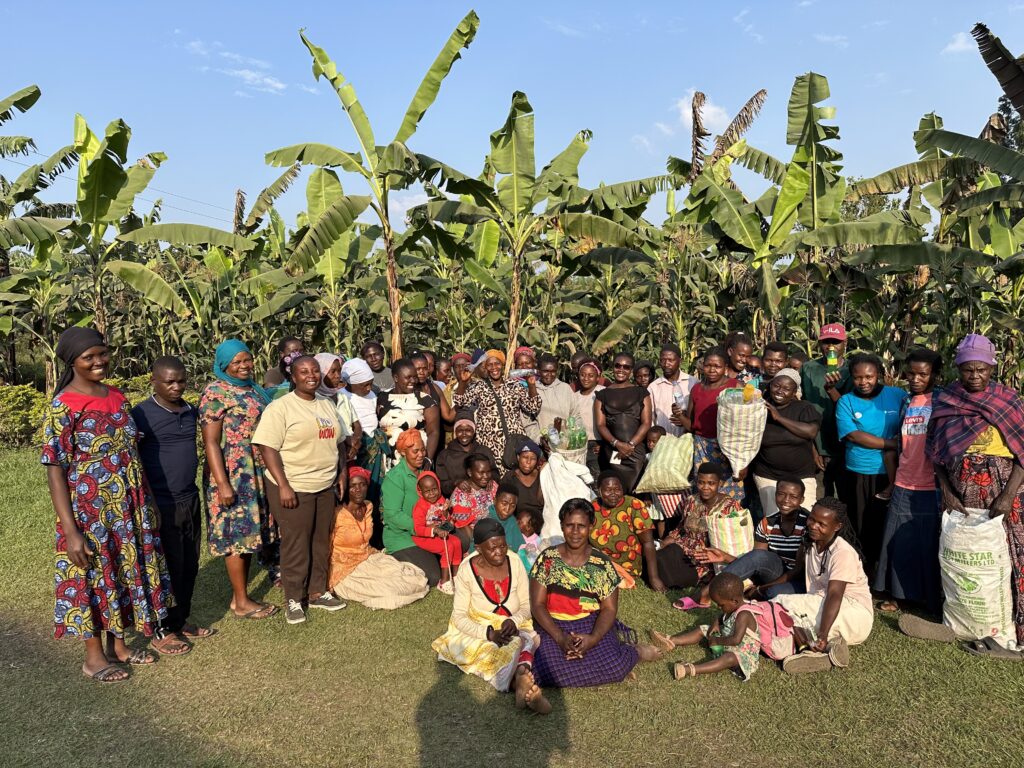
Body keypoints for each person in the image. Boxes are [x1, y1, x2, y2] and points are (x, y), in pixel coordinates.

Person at [42, 328, 175, 682]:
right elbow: (55, 468)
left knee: (121, 570)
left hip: (130, 504)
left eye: (102, 353)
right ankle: (93, 656)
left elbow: (132, 453)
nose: (99, 362)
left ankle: (120, 646)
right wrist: (71, 530)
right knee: (93, 574)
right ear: (72, 362)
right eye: (89, 357)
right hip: (90, 509)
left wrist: (147, 500)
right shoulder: (64, 405)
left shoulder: (116, 396)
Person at [924, 333, 1024, 645]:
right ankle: (965, 617)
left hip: (1004, 487)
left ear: (992, 369)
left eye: (981, 370)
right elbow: (935, 452)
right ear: (958, 369)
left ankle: (1009, 624)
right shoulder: (946, 399)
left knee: (1010, 551)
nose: (975, 376)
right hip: (959, 488)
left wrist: (1008, 495)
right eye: (968, 370)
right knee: (964, 553)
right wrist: (948, 492)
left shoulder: (1008, 400)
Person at [253, 355, 347, 625]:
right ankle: (294, 598)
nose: (311, 375)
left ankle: (317, 592)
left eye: (315, 370)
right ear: (292, 377)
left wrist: (341, 472)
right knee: (296, 543)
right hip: (294, 485)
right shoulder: (281, 408)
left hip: (324, 485)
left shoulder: (327, 404)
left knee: (320, 541)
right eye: (303, 371)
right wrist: (283, 485)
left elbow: (339, 441)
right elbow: (266, 447)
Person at [528, 499, 662, 689]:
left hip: (590, 621)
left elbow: (609, 609)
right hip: (553, 623)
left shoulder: (602, 563)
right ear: (561, 526)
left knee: (614, 668)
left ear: (591, 526)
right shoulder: (548, 559)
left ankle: (635, 652)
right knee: (546, 671)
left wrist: (593, 639)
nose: (575, 532)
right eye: (569, 525)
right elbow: (537, 605)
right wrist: (560, 638)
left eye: (581, 526)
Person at [131, 356, 213, 652]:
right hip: (160, 503)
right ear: (153, 380)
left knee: (189, 564)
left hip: (189, 498)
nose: (177, 386)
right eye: (169, 382)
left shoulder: (190, 410)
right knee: (165, 566)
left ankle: (180, 621)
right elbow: (135, 461)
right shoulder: (141, 414)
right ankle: (161, 628)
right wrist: (148, 502)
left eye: (181, 381)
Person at [431, 518, 550, 713]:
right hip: (478, 628)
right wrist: (489, 634)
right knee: (500, 649)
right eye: (492, 548)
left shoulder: (514, 561)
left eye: (503, 546)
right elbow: (460, 616)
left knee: (525, 639)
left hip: (515, 626)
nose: (499, 552)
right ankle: (519, 682)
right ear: (478, 548)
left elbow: (526, 604)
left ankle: (520, 680)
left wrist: (514, 620)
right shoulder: (467, 569)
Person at [200, 339, 279, 620]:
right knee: (237, 535)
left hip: (257, 467)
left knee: (251, 533)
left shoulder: (253, 389)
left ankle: (241, 597)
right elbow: (210, 442)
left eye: (248, 360)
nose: (245, 366)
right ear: (224, 365)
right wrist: (223, 483)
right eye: (237, 362)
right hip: (234, 471)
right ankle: (242, 601)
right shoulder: (216, 392)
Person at [874, 349, 943, 614]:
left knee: (928, 545)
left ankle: (929, 598)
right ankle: (898, 595)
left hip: (932, 485)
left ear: (934, 375)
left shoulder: (942, 401)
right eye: (911, 373)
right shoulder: (907, 401)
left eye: (923, 374)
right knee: (899, 544)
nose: (915, 379)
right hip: (904, 480)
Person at [773, 498, 873, 673]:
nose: (813, 525)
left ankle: (814, 647)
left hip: (854, 614)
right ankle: (825, 650)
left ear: (837, 526)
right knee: (780, 612)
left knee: (781, 603)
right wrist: (762, 588)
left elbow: (835, 594)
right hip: (830, 609)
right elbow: (796, 571)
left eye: (821, 524)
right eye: (812, 519)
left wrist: (823, 634)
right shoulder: (810, 543)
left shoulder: (842, 552)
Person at [690, 478, 810, 606]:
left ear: (801, 500)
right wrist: (725, 557)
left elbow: (798, 570)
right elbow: (756, 561)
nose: (786, 500)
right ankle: (704, 594)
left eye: (793, 496)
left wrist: (761, 589)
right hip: (777, 573)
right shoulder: (767, 523)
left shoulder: (808, 524)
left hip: (801, 579)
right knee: (760, 557)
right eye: (781, 494)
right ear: (775, 495)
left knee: (774, 593)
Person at [836, 354, 905, 570]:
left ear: (879, 376)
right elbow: (853, 435)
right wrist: (891, 444)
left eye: (869, 376)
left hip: (894, 472)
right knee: (861, 521)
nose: (863, 382)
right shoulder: (846, 401)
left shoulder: (898, 395)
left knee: (886, 521)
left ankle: (884, 568)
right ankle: (863, 568)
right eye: (858, 377)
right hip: (859, 471)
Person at [328, 466, 429, 609]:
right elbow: (324, 546)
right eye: (353, 486)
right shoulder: (337, 514)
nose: (358, 490)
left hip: (367, 557)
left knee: (411, 577)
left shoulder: (368, 506)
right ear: (345, 488)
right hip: (345, 567)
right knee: (389, 590)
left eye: (363, 485)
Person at [652, 573, 781, 681]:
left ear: (734, 601)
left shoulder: (745, 614)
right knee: (704, 628)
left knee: (729, 657)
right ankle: (672, 641)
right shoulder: (732, 606)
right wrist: (715, 624)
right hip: (726, 641)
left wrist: (716, 640)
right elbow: (721, 617)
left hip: (741, 653)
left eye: (720, 605)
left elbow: (736, 640)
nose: (719, 608)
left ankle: (690, 669)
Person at [661, 463, 743, 597]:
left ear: (720, 484)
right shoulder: (691, 500)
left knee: (671, 574)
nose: (705, 487)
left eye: (711, 483)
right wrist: (667, 540)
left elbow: (736, 540)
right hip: (683, 548)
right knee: (659, 557)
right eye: (701, 482)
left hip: (706, 559)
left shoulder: (731, 507)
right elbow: (681, 527)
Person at [452, 349, 541, 469]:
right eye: (490, 364)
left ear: (503, 365)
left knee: (513, 476)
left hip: (513, 443)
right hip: (489, 443)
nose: (494, 368)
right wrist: (463, 382)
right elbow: (460, 401)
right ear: (486, 367)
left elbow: (533, 407)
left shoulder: (514, 385)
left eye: (497, 363)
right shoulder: (479, 386)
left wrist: (531, 385)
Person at [750, 368, 821, 516]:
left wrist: (779, 418)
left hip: (801, 476)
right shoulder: (759, 407)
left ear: (795, 391)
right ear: (770, 386)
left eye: (787, 388)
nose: (780, 391)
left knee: (805, 518)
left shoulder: (804, 408)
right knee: (773, 518)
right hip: (768, 475)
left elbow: (811, 432)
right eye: (776, 386)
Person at [380, 429, 443, 586]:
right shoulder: (395, 478)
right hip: (402, 537)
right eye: (415, 451)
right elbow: (393, 515)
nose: (421, 455)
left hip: (425, 531)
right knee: (433, 576)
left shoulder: (425, 473)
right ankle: (393, 557)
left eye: (423, 450)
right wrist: (423, 527)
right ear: (403, 452)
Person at [800, 323, 854, 498]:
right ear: (819, 344)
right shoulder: (808, 368)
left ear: (845, 343)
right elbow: (800, 407)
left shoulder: (854, 370)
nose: (831, 347)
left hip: (846, 445)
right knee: (820, 497)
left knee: (845, 498)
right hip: (816, 442)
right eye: (826, 342)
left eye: (836, 342)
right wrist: (812, 449)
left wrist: (832, 389)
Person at [682, 347, 742, 500]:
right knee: (705, 492)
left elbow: (746, 422)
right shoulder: (696, 389)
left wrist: (743, 461)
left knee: (730, 494)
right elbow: (690, 425)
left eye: (717, 366)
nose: (712, 370)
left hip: (729, 449)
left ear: (726, 368)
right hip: (702, 448)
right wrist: (679, 416)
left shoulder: (736, 387)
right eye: (708, 365)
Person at [591, 472, 665, 590]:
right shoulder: (592, 508)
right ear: (599, 491)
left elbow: (647, 542)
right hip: (599, 560)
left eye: (617, 489)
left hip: (627, 565)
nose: (613, 494)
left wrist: (654, 578)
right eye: (608, 490)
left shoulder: (633, 505)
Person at [594, 352, 653, 492]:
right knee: (615, 490)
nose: (621, 369)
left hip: (636, 451)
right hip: (613, 451)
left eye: (626, 367)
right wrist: (617, 444)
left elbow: (646, 423)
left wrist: (630, 445)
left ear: (631, 371)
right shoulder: (602, 395)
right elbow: (600, 425)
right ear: (613, 367)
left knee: (637, 490)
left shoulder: (642, 393)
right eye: (618, 365)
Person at [378, 358, 441, 461]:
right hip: (387, 458)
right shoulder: (382, 398)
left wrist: (428, 460)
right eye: (408, 377)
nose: (413, 381)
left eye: (414, 377)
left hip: (416, 458)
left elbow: (433, 432)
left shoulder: (425, 400)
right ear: (396, 378)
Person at [411, 470, 462, 594]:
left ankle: (456, 576)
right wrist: (435, 530)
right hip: (424, 537)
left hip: (440, 533)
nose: (432, 494)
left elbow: (444, 519)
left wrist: (447, 514)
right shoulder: (420, 506)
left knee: (456, 542)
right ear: (420, 491)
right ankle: (444, 581)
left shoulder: (441, 499)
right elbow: (418, 529)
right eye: (427, 491)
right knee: (448, 547)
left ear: (438, 486)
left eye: (434, 489)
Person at [435, 414, 499, 496]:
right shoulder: (444, 456)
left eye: (468, 430)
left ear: (474, 431)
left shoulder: (484, 450)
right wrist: (455, 483)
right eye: (460, 430)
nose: (464, 434)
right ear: (455, 432)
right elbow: (442, 484)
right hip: (458, 501)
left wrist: (491, 479)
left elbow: (495, 472)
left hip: (484, 498)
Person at [315, 352, 361, 463]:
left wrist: (356, 441)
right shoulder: (316, 400)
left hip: (351, 452)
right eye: (332, 372)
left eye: (339, 371)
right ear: (321, 374)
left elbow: (357, 424)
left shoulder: (342, 396)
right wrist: (346, 442)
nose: (338, 376)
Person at [648, 343, 697, 439]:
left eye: (671, 360)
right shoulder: (653, 387)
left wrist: (684, 419)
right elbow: (651, 419)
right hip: (663, 442)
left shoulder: (693, 383)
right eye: (663, 360)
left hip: (687, 441)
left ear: (680, 361)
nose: (666, 364)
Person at [528, 353, 580, 443]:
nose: (549, 375)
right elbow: (528, 422)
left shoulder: (565, 388)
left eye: (553, 371)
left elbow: (575, 415)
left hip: (566, 443)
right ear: (538, 371)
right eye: (545, 371)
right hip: (542, 445)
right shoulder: (532, 390)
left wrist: (574, 435)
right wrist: (540, 439)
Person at [450, 453, 499, 539]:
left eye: (488, 472)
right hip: (476, 539)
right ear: (469, 472)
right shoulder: (460, 495)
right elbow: (464, 528)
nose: (486, 476)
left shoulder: (492, 485)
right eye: (481, 472)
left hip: (497, 532)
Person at [574, 359, 605, 479]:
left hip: (598, 444)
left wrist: (605, 445)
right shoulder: (575, 397)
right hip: (580, 445)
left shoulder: (603, 392)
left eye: (591, 375)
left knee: (597, 480)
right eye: (583, 375)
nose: (586, 378)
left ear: (598, 377)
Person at [505, 439, 545, 522]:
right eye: (525, 457)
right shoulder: (511, 477)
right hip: (518, 524)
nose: (528, 462)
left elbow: (541, 502)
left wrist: (542, 475)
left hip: (541, 524)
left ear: (537, 461)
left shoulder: (542, 475)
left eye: (533, 459)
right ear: (518, 457)